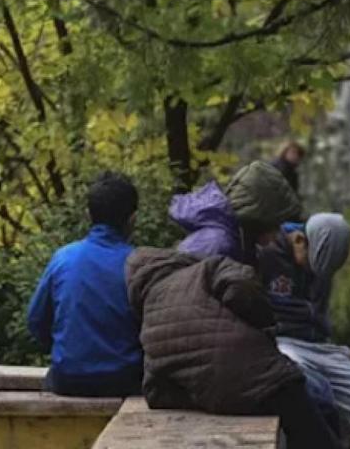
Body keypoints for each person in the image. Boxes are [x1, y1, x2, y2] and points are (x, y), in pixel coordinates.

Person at [132, 161, 338, 449]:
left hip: (209, 363)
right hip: (214, 367)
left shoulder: (233, 238)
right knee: (313, 399)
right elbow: (201, 312)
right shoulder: (217, 243)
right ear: (257, 217)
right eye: (274, 223)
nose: (278, 233)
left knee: (315, 395)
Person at [259, 214, 350, 449]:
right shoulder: (268, 252)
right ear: (302, 240)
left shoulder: (326, 263)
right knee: (306, 399)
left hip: (322, 347)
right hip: (282, 344)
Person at [27, 172, 143, 397]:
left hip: (68, 379)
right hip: (125, 379)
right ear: (133, 219)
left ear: (88, 214)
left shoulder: (63, 258)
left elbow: (36, 321)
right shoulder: (139, 263)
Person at [170, 160, 300, 266]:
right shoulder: (215, 244)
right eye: (274, 226)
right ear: (258, 219)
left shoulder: (240, 239)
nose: (276, 236)